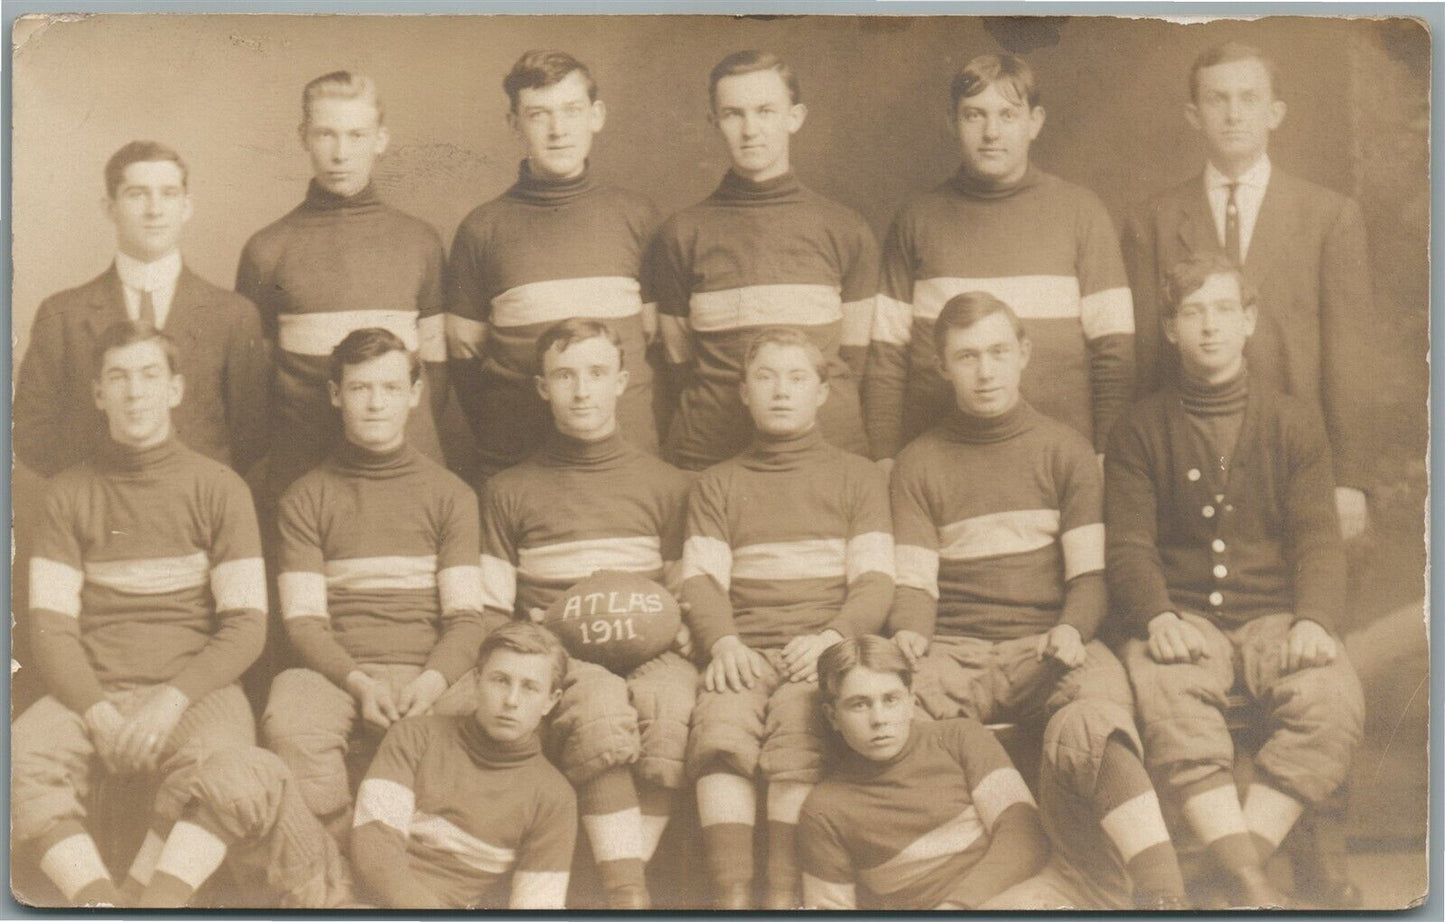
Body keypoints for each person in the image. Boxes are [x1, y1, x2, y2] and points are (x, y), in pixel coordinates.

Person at [887, 294, 1186, 910]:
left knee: (1096, 710)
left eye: (998, 352)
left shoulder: (1065, 450)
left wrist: (1073, 629)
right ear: (943, 367)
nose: (986, 371)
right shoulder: (918, 462)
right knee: (893, 717)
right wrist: (912, 633)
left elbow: (1090, 576)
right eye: (967, 357)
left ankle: (1162, 893)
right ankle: (967, 891)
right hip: (955, 649)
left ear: (1024, 354)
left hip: (1049, 641)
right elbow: (916, 585)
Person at [1108, 253, 1365, 908]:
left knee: (1331, 697)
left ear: (1248, 320)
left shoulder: (1293, 420)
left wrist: (1312, 620)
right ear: (1168, 328)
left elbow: (1316, 538)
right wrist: (1156, 618)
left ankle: (1233, 865)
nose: (1209, 327)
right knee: (1167, 695)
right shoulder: (1139, 427)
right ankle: (1252, 880)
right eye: (1191, 312)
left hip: (1274, 618)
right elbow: (1130, 545)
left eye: (1224, 310)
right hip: (1182, 616)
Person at [13, 321, 266, 906]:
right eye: (118, 378)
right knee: (16, 757)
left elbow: (247, 623)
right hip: (92, 690)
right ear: (99, 393)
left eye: (150, 375)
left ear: (175, 389)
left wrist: (172, 699)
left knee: (229, 767)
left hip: (193, 693)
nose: (135, 392)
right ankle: (97, 901)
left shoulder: (220, 488)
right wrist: (100, 714)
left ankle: (151, 905)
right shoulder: (68, 494)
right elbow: (51, 627)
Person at [477, 319, 696, 909]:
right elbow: (495, 611)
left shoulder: (668, 486)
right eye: (564, 375)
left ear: (621, 382)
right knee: (598, 706)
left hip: (653, 654)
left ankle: (621, 881)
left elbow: (686, 596)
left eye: (596, 374)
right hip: (563, 655)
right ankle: (629, 894)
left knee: (671, 705)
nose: (581, 390)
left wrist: (680, 633)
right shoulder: (508, 490)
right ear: (543, 387)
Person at [1123, 42, 1376, 541]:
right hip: (1189, 458)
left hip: (1298, 458)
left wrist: (1350, 479)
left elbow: (1350, 357)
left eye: (1249, 98)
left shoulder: (1328, 217)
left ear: (1275, 112)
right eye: (1217, 99)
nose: (1234, 114)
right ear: (1194, 115)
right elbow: (1147, 358)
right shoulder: (1151, 221)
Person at [682, 328, 894, 909]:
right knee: (721, 728)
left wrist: (833, 636)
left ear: (823, 391)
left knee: (801, 731)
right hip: (746, 650)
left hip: (821, 650)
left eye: (797, 377)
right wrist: (723, 643)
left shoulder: (858, 477)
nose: (781, 391)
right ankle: (731, 894)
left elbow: (875, 582)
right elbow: (700, 581)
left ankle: (780, 896)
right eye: (766, 377)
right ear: (743, 391)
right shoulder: (718, 484)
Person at [263, 328, 489, 838]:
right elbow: (303, 623)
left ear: (414, 394)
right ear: (336, 396)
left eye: (390, 388)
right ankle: (342, 861)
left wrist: (430, 682)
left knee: (488, 719)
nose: (375, 403)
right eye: (361, 389)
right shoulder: (305, 497)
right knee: (290, 721)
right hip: (337, 673)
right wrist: (360, 683)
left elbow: (466, 620)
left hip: (430, 669)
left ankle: (431, 870)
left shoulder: (451, 495)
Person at [865, 53, 1133, 461]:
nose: (991, 132)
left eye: (1008, 115)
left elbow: (1114, 352)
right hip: (940, 464)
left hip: (1060, 465)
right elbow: (887, 355)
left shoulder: (1082, 212)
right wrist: (885, 459)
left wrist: (1104, 455)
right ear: (953, 121)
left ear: (1035, 122)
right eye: (975, 115)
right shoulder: (916, 218)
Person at [649, 50, 879, 470]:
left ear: (795, 117)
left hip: (829, 459)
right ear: (714, 122)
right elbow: (679, 365)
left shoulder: (846, 229)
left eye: (765, 111)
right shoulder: (681, 234)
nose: (750, 129)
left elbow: (854, 362)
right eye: (734, 113)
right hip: (709, 458)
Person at [447, 50, 662, 484]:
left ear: (596, 115)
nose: (558, 130)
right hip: (520, 464)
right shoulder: (482, 229)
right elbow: (465, 364)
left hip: (630, 466)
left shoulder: (638, 218)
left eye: (571, 110)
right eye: (539, 114)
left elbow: (661, 348)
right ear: (514, 124)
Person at [237, 71, 447, 502]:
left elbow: (438, 375)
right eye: (326, 134)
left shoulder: (420, 241)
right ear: (304, 137)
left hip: (406, 469)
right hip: (303, 473)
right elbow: (251, 384)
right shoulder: (267, 249)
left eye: (356, 134)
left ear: (381, 139)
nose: (340, 153)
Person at [14, 141, 269, 478]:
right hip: (96, 516)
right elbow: (30, 430)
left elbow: (253, 436)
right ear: (110, 208)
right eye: (137, 194)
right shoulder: (62, 315)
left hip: (196, 514)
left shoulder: (233, 315)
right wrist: (87, 491)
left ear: (186, 206)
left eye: (168, 193)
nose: (155, 210)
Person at [799, 636, 1049, 910]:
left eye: (891, 699)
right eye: (859, 704)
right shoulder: (824, 809)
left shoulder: (961, 738)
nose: (879, 719)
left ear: (911, 701)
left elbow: (1026, 834)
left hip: (1016, 898)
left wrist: (958, 907)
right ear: (833, 715)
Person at [350, 622, 578, 909]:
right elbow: (376, 855)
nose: (511, 700)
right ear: (476, 681)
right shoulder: (415, 735)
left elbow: (535, 906)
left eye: (530, 687)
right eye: (500, 680)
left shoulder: (554, 798)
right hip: (349, 896)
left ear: (550, 701)